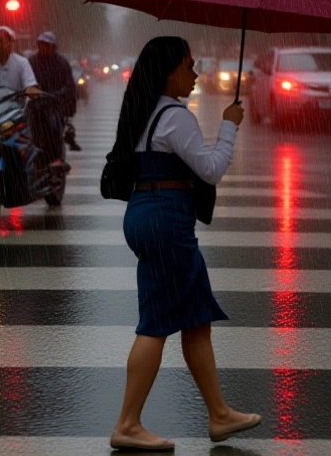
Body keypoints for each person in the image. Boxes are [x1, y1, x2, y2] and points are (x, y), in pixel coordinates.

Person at [110, 36, 261, 450]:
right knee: (156, 324)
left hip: (147, 213)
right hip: (166, 221)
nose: (196, 74)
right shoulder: (175, 116)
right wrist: (229, 124)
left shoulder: (144, 111)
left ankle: (219, 414)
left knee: (195, 319)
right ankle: (127, 424)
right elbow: (210, 170)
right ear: (170, 71)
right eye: (190, 66)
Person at [27, 31, 77, 163]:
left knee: (53, 126)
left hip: (54, 106)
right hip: (35, 104)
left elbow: (69, 85)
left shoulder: (62, 63)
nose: (43, 47)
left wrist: (57, 95)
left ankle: (56, 158)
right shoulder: (31, 62)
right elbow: (24, 80)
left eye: (47, 45)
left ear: (53, 46)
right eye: (41, 44)